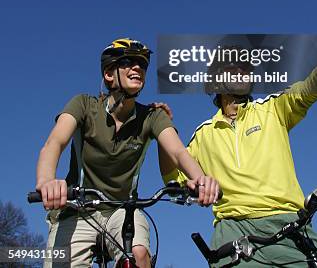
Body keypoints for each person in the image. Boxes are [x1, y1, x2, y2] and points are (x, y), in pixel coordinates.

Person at [159, 5, 317, 267]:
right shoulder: (203, 134)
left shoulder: (273, 109)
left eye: (246, 68)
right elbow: (172, 179)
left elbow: (315, 85)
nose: (242, 71)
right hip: (233, 230)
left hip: (290, 221)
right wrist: (162, 131)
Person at [36, 38, 220, 268]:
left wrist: (200, 179)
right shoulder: (83, 104)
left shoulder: (153, 115)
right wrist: (46, 182)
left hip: (123, 211)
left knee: (139, 253)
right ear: (109, 75)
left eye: (142, 64)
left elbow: (179, 152)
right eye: (127, 62)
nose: (137, 68)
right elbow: (54, 142)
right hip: (77, 210)